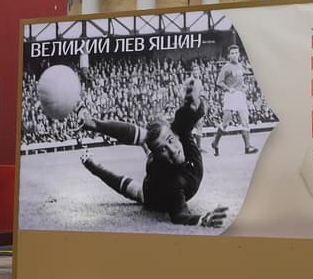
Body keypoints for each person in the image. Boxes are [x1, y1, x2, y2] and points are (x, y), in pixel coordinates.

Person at [76, 80, 228, 228]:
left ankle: (98, 126)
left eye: (171, 140)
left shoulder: (180, 134)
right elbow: (180, 215)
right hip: (153, 190)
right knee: (137, 191)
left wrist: (193, 102)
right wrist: (203, 219)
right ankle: (92, 165)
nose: (173, 150)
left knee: (149, 138)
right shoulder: (173, 183)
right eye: (163, 149)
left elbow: (188, 117)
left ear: (175, 135)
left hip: (159, 154)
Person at [211, 45, 257, 156]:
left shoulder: (241, 66)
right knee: (226, 122)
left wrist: (244, 87)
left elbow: (240, 82)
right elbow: (219, 82)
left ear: (239, 54)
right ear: (229, 55)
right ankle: (215, 142)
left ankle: (247, 147)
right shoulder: (226, 67)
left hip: (240, 95)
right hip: (230, 95)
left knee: (245, 120)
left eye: (236, 53)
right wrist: (228, 88)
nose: (234, 55)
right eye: (232, 53)